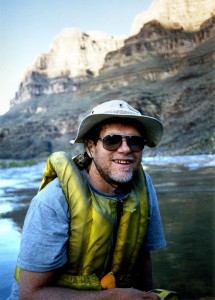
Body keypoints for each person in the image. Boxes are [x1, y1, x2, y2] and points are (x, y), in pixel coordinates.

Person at [8, 99, 166, 300]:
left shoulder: (143, 187)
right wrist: (113, 297)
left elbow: (142, 256)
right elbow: (30, 294)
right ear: (91, 148)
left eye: (135, 141)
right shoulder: (52, 201)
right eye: (112, 140)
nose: (125, 149)